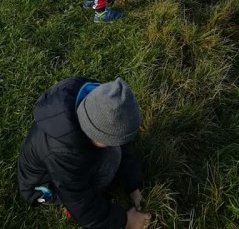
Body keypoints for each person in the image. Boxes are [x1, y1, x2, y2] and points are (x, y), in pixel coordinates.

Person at [17, 76, 152, 229]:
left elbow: (123, 143)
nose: (116, 145)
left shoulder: (101, 99)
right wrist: (125, 221)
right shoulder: (62, 152)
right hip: (45, 186)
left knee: (115, 152)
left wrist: (133, 184)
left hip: (66, 167)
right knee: (111, 161)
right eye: (109, 141)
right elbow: (80, 200)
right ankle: (65, 203)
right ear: (93, 133)